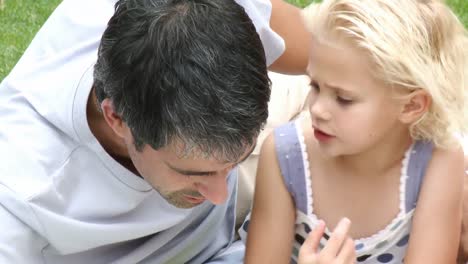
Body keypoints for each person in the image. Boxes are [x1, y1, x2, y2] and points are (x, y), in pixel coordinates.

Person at [0, 0, 309, 262]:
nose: (219, 194)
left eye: (229, 166)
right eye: (195, 174)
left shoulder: (204, 10)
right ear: (117, 119)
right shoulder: (19, 195)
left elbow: (322, 50)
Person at [242, 0, 467, 263]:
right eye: (314, 86)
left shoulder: (438, 162)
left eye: (344, 99)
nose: (318, 110)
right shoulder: (286, 156)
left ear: (411, 105)